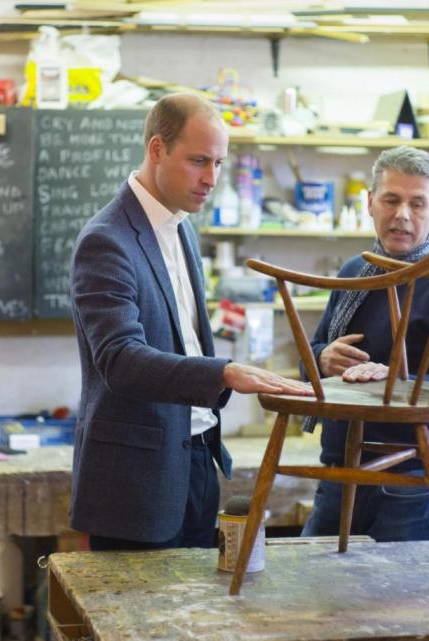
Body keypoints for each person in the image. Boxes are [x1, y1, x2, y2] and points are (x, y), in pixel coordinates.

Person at [70, 93, 312, 551]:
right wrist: (221, 372)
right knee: (138, 622)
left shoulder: (181, 226)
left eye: (220, 164)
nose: (211, 179)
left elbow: (183, 338)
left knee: (196, 616)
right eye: (199, 161)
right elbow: (119, 360)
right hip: (136, 483)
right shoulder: (107, 241)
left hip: (197, 461)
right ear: (156, 149)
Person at [300, 146, 429, 542]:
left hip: (411, 480)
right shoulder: (355, 272)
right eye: (391, 200)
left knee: (408, 605)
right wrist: (323, 357)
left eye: (417, 204)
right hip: (338, 471)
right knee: (318, 598)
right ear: (369, 202)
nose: (402, 215)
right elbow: (307, 363)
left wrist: (399, 382)